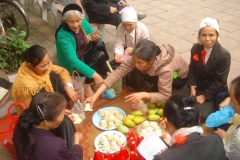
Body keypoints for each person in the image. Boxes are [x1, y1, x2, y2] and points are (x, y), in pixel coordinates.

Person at [85, 39, 189, 107]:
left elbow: (166, 94)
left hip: (180, 79)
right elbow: (118, 73)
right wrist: (96, 95)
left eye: (140, 62)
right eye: (134, 60)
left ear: (151, 60)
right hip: (158, 72)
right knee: (136, 71)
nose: (136, 64)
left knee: (156, 85)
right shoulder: (141, 54)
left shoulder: (165, 69)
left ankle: (156, 89)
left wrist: (144, 95)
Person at [12, 45, 77, 150]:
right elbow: (30, 113)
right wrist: (57, 114)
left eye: (48, 63)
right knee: (65, 122)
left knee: (54, 77)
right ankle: (67, 149)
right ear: (31, 66)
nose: (47, 67)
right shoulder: (25, 85)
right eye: (43, 66)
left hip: (47, 106)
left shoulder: (44, 65)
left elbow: (62, 71)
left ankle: (62, 111)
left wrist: (69, 87)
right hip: (37, 118)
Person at [174, 17, 231, 123]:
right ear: (199, 36)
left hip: (212, 90)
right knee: (175, 100)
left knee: (200, 115)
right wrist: (192, 86)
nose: (207, 39)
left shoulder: (224, 55)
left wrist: (204, 96)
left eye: (211, 35)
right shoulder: (196, 48)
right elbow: (192, 69)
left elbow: (220, 81)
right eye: (203, 35)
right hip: (197, 85)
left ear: (217, 35)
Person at [56, 4, 109, 97]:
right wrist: (95, 75)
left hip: (83, 53)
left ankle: (101, 81)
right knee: (97, 57)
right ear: (65, 21)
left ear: (81, 18)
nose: (76, 25)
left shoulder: (83, 22)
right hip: (73, 64)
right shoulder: (62, 35)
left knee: (100, 48)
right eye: (71, 21)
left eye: (78, 21)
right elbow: (73, 61)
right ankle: (87, 85)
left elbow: (94, 36)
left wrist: (96, 38)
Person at [13, 92, 83, 160]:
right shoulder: (56, 145)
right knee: (66, 121)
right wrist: (76, 141)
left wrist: (58, 111)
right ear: (47, 122)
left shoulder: (21, 124)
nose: (63, 116)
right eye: (61, 115)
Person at [153, 95, 226, 160]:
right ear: (199, 118)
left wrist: (166, 155)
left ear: (167, 123)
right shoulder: (216, 141)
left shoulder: (162, 158)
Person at [215, 76, 240, 159]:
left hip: (229, 147)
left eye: (233, 100)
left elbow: (230, 155)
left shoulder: (238, 139)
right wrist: (234, 120)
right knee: (220, 96)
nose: (230, 103)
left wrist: (224, 137)